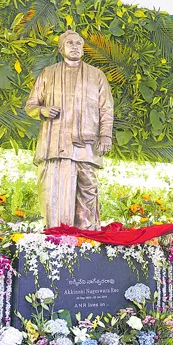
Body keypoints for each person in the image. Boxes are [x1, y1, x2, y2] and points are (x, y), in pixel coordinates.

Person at [25, 29, 114, 230]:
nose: (75, 47)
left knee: (87, 190)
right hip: (54, 143)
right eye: (70, 43)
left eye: (78, 44)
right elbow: (30, 105)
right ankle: (55, 235)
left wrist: (105, 134)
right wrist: (42, 110)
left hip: (87, 144)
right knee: (53, 193)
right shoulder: (48, 73)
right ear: (61, 48)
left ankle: (86, 238)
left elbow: (106, 108)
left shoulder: (96, 75)